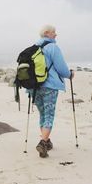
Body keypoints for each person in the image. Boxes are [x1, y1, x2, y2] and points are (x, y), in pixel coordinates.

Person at [32, 25, 73, 158]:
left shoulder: (33, 47)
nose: (56, 34)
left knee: (43, 114)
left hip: (34, 86)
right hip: (50, 86)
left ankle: (47, 141)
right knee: (49, 115)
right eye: (53, 32)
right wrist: (69, 74)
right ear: (46, 33)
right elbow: (61, 68)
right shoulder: (52, 47)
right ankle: (43, 143)